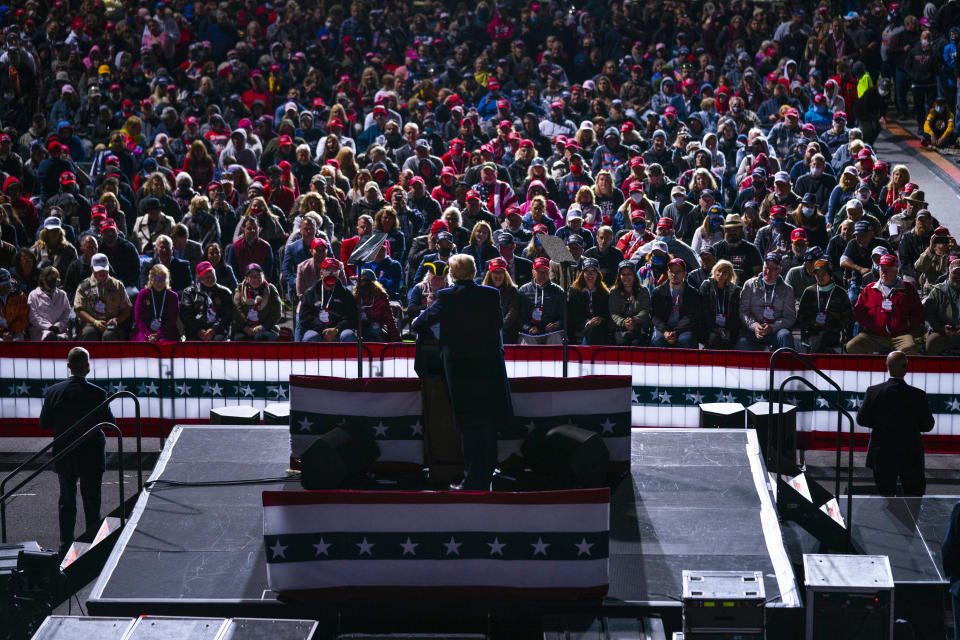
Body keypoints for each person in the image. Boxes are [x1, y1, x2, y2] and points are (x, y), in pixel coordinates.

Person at [412, 253, 512, 491]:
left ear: (453, 274)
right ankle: (486, 475)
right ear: (474, 271)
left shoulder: (446, 296)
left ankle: (471, 481)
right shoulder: (490, 294)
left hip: (460, 369)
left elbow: (418, 324)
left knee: (469, 424)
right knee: (486, 423)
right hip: (488, 367)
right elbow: (498, 324)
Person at [39, 347, 115, 557]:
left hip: (65, 452)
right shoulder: (98, 393)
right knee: (92, 501)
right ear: (88, 367)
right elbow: (110, 424)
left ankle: (65, 545)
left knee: (67, 500)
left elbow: (45, 424)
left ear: (68, 366)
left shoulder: (54, 391)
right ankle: (92, 546)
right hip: (91, 453)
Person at [856, 351, 934, 496]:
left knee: (885, 498)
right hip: (910, 453)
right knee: (913, 499)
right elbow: (928, 425)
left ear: (887, 366)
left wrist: (881, 423)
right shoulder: (918, 395)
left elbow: (861, 419)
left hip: (882, 452)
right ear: (906, 369)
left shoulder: (874, 391)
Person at [846, 254, 925, 355]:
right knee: (852, 346)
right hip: (874, 336)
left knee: (911, 348)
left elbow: (919, 313)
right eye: (881, 269)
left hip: (900, 336)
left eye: (888, 269)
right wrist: (871, 325)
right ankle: (873, 369)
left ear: (896, 270)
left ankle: (898, 369)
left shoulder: (908, 288)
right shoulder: (869, 289)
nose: (884, 272)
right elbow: (858, 312)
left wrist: (907, 324)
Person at [736, 253, 796, 351]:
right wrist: (755, 326)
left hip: (775, 330)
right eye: (766, 267)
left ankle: (787, 364)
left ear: (780, 270)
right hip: (753, 330)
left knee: (785, 335)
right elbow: (744, 311)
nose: (768, 272)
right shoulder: (749, 284)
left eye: (773, 269)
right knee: (741, 343)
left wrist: (772, 327)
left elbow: (789, 317)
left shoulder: (787, 289)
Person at [796, 259, 853, 353]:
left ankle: (811, 361)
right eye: (817, 274)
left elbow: (848, 317)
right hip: (811, 332)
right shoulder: (809, 291)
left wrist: (833, 324)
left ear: (830, 274)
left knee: (823, 337)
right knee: (820, 342)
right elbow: (801, 315)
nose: (820, 277)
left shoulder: (840, 293)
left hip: (833, 333)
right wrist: (813, 323)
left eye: (823, 273)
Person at [74, 254, 132, 341]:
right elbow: (79, 310)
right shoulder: (84, 286)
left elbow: (127, 309)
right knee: (88, 333)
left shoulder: (117, 285)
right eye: (98, 269)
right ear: (92, 268)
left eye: (104, 269)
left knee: (109, 335)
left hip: (111, 322)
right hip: (91, 322)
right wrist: (95, 322)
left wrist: (116, 319)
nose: (102, 272)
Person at [300, 258, 358, 342]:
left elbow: (352, 317)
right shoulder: (310, 292)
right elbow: (305, 317)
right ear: (321, 273)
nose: (331, 274)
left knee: (348, 335)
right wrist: (323, 329)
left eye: (334, 271)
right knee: (310, 338)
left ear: (338, 274)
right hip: (317, 330)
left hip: (339, 330)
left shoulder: (346, 293)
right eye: (327, 270)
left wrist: (336, 329)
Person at [650, 258, 700, 348]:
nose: (674, 274)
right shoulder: (658, 292)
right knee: (657, 341)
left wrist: (676, 332)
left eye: (678, 272)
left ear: (684, 273)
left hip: (683, 329)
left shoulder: (693, 293)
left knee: (685, 340)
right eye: (671, 271)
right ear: (667, 273)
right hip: (663, 328)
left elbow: (691, 317)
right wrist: (665, 331)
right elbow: (655, 316)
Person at [179, 261, 233, 341]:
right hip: (195, 331)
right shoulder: (189, 292)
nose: (210, 279)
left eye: (212, 275)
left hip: (218, 331)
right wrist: (199, 331)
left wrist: (213, 330)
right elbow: (186, 315)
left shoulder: (225, 292)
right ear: (200, 279)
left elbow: (226, 315)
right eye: (206, 277)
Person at [518, 257, 565, 344]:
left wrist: (556, 325)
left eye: (545, 272)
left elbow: (564, 317)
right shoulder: (523, 290)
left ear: (549, 273)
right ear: (533, 272)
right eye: (539, 271)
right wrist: (528, 328)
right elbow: (520, 318)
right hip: (530, 333)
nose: (542, 275)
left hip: (552, 332)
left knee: (555, 338)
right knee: (528, 341)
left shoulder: (558, 291)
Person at [699, 259, 742, 350]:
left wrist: (729, 330)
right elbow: (703, 311)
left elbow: (735, 314)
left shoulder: (735, 290)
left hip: (728, 328)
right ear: (715, 271)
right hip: (709, 327)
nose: (721, 275)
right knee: (714, 339)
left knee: (729, 341)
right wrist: (714, 328)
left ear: (729, 275)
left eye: (725, 272)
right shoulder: (706, 286)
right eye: (719, 271)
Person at [567, 258, 611, 345]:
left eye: (593, 271)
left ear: (597, 274)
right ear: (582, 274)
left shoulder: (604, 292)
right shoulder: (574, 290)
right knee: (592, 329)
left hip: (599, 327)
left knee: (596, 329)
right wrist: (587, 322)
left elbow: (607, 314)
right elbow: (573, 314)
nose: (589, 274)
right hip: (580, 326)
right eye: (586, 271)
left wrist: (600, 319)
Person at [233, 263, 282, 341]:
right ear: (246, 278)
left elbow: (276, 313)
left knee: (260, 337)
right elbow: (237, 310)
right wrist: (246, 328)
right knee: (240, 338)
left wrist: (262, 327)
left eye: (259, 276)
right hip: (245, 328)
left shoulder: (271, 289)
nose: (256, 279)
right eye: (252, 277)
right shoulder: (240, 289)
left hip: (267, 328)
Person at [608, 260, 652, 346]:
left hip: (639, 326)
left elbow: (645, 310)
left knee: (637, 343)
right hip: (620, 327)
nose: (626, 277)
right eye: (623, 274)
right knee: (621, 341)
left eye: (629, 274)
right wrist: (624, 322)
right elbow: (613, 313)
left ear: (634, 276)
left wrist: (634, 320)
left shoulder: (643, 290)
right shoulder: (614, 291)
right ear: (619, 276)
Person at [134, 263, 181, 342]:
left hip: (166, 332)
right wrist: (148, 335)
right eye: (156, 279)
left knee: (163, 344)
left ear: (167, 280)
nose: (159, 282)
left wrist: (158, 334)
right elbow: (139, 319)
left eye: (163, 279)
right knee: (143, 343)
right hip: (144, 331)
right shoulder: (143, 294)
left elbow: (172, 320)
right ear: (151, 279)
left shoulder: (173, 296)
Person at [922, 259, 960, 355]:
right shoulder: (937, 290)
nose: (958, 276)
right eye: (955, 272)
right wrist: (942, 328)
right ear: (948, 272)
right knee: (931, 344)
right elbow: (929, 314)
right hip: (942, 332)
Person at [482, 257, 523, 344]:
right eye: (495, 272)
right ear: (490, 274)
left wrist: (498, 327)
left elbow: (512, 313)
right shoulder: (483, 291)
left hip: (506, 330)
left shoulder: (512, 291)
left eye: (501, 272)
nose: (498, 276)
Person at [355, 268, 400, 341]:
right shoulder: (355, 296)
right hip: (357, 327)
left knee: (375, 328)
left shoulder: (380, 296)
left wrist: (396, 339)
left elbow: (389, 319)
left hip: (374, 328)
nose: (358, 284)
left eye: (362, 281)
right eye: (357, 281)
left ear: (370, 283)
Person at [28, 266, 71, 341]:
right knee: (49, 338)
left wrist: (58, 326)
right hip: (40, 332)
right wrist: (49, 327)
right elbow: (33, 316)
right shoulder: (33, 295)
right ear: (43, 279)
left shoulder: (62, 294)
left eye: (56, 278)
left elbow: (66, 313)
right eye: (51, 278)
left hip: (59, 331)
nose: (54, 280)